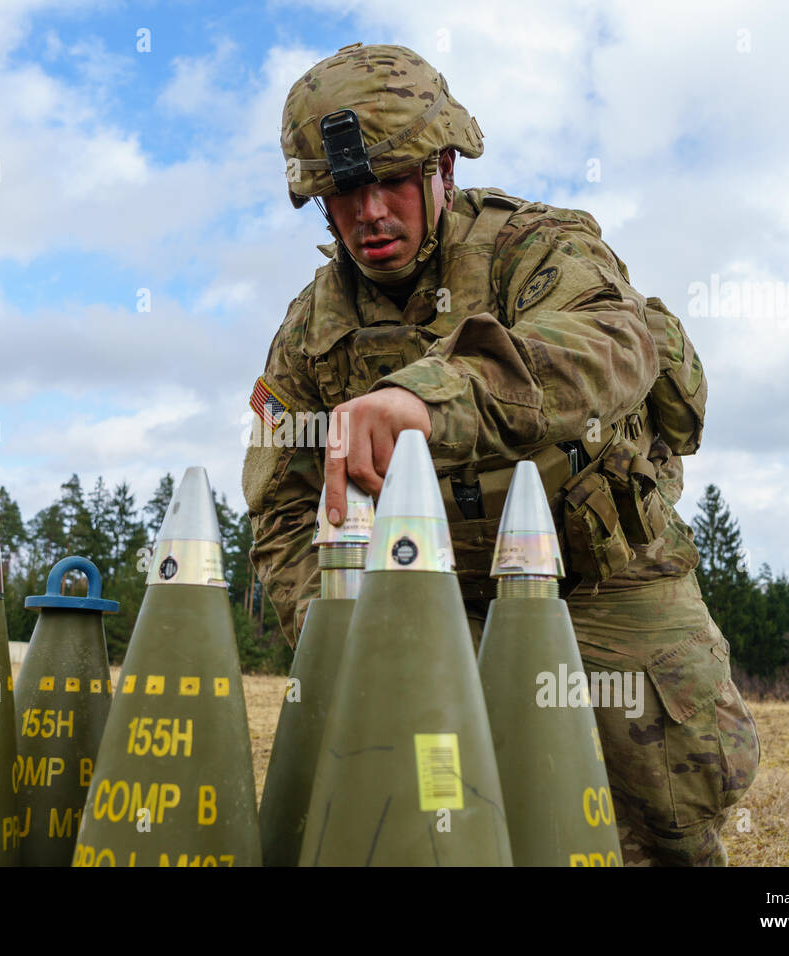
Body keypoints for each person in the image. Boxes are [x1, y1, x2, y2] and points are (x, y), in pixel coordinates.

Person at [242, 42, 758, 866]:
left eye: (393, 179)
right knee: (432, 818)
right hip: (433, 600)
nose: (370, 212)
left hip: (602, 580)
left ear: (443, 167)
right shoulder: (311, 332)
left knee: (663, 820)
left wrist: (427, 397)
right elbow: (283, 504)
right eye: (344, 191)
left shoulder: (536, 246)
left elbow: (609, 343)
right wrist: (340, 627)